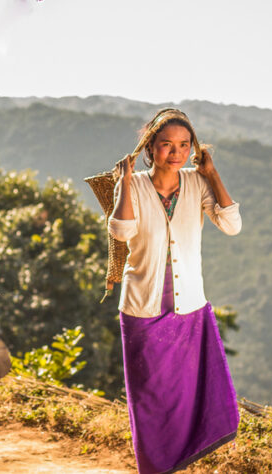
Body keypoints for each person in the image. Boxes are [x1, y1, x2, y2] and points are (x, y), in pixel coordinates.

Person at [108, 108, 241, 473]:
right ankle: (154, 466)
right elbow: (121, 231)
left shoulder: (197, 183)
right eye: (167, 145)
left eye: (184, 145)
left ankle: (178, 462)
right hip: (142, 310)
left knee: (185, 395)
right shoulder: (132, 184)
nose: (176, 152)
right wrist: (123, 182)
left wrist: (212, 175)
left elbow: (231, 225)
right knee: (150, 398)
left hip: (189, 309)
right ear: (151, 147)